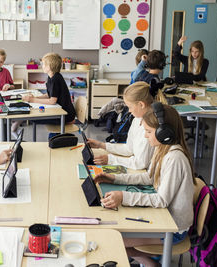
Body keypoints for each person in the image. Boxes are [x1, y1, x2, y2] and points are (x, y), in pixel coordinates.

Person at [94, 103, 196, 267]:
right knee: (114, 234)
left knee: (114, 238)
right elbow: (149, 178)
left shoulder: (175, 158)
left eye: (148, 132)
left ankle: (151, 264)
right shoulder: (162, 148)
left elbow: (162, 200)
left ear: (164, 133)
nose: (146, 136)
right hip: (164, 218)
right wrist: (114, 178)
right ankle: (150, 261)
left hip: (173, 229)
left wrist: (124, 197)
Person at [86, 82, 157, 170]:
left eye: (130, 107)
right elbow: (129, 149)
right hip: (139, 171)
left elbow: (140, 163)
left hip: (144, 173)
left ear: (141, 104)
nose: (129, 111)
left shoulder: (150, 128)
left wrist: (111, 160)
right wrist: (102, 145)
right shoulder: (137, 120)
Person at [21, 52, 76, 125]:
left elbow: (52, 101)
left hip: (65, 115)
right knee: (34, 118)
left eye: (43, 64)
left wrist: (33, 100)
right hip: (59, 111)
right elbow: (49, 94)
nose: (42, 66)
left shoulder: (55, 79)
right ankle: (54, 135)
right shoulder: (52, 77)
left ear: (49, 67)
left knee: (34, 119)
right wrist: (36, 97)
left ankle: (55, 135)